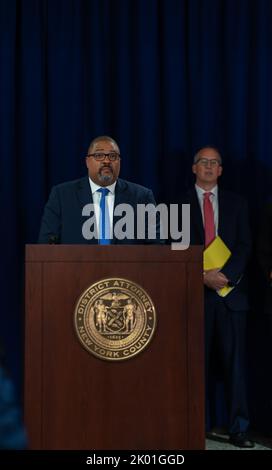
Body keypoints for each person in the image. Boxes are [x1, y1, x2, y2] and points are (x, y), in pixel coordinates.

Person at [186, 146, 254, 448]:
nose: (210, 167)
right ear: (194, 168)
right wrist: (201, 277)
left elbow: (244, 246)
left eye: (215, 163)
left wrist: (224, 277)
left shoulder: (238, 203)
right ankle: (191, 427)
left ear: (221, 170)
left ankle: (238, 429)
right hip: (193, 297)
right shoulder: (177, 205)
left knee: (235, 368)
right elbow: (173, 246)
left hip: (230, 297)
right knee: (193, 366)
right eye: (204, 162)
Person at [38, 135, 161, 244]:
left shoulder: (142, 197)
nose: (106, 161)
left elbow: (156, 247)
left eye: (113, 156)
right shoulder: (62, 196)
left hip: (127, 270)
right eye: (99, 155)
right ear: (87, 162)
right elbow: (46, 246)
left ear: (120, 162)